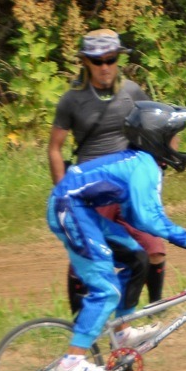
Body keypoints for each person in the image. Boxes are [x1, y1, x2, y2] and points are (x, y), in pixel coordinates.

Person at [48, 100, 186, 371]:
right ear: (159, 139)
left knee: (137, 257)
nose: (179, 143)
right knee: (106, 290)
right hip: (69, 211)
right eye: (175, 137)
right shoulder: (144, 167)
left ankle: (122, 330)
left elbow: (138, 218)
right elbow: (151, 220)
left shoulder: (142, 163)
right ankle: (71, 361)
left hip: (80, 211)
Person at [48, 29, 169, 312]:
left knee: (154, 249)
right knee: (88, 257)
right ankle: (79, 321)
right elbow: (55, 148)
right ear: (85, 62)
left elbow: (156, 125)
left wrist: (157, 168)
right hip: (90, 190)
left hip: (126, 190)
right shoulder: (72, 100)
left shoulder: (131, 92)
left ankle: (154, 312)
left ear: (118, 59)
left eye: (111, 59)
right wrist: (62, 192)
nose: (105, 67)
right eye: (97, 60)